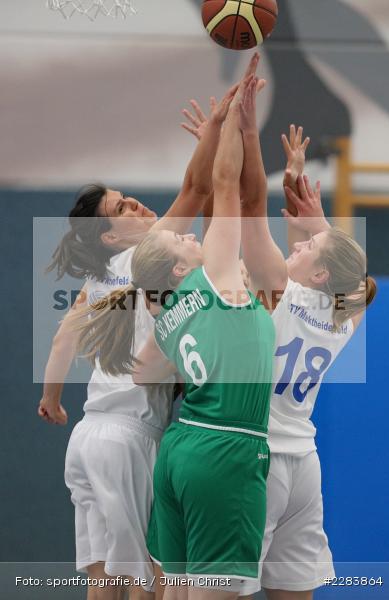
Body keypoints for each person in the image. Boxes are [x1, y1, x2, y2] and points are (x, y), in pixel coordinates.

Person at [37, 64, 252, 600]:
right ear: (109, 236)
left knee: (103, 577)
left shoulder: (97, 277)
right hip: (128, 438)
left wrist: (51, 398)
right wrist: (214, 134)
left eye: (126, 195)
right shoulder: (144, 253)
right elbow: (199, 186)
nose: (134, 203)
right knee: (150, 580)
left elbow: (64, 337)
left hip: (85, 437)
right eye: (121, 208)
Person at [238, 122, 377, 600]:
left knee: (220, 588)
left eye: (308, 246)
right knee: (294, 589)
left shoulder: (280, 291)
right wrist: (316, 221)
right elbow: (356, 278)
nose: (298, 241)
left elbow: (251, 212)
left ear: (319, 273)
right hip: (304, 461)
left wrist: (308, 210)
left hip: (259, 457)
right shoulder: (343, 317)